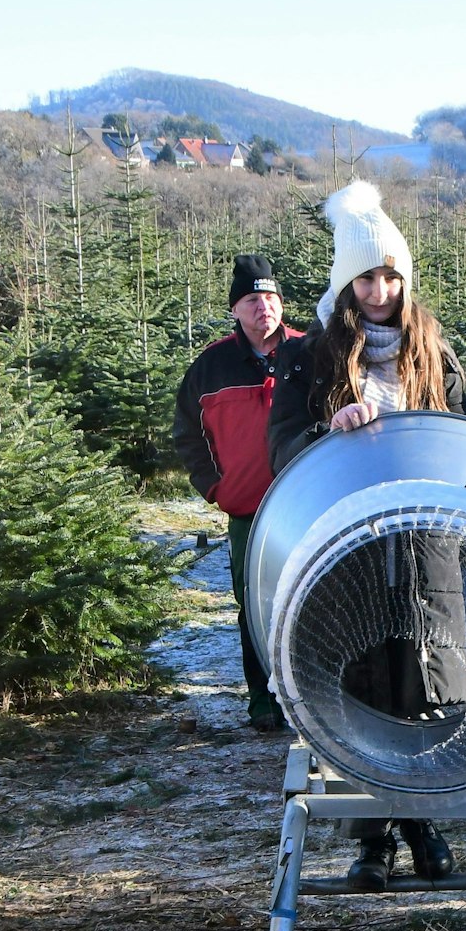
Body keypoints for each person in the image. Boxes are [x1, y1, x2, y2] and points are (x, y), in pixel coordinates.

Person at [268, 179, 466, 889]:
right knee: (363, 685)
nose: (380, 287)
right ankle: (378, 839)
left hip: (424, 547)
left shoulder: (434, 351)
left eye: (390, 274)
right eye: (367, 274)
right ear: (345, 280)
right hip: (348, 545)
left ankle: (422, 815)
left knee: (422, 679)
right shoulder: (313, 358)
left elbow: (464, 441)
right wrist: (331, 432)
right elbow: (282, 448)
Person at [171, 254, 302, 733]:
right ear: (235, 310)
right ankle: (264, 704)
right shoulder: (212, 365)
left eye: (270, 298)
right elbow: (187, 433)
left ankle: (316, 697)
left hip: (307, 503)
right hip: (248, 509)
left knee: (314, 598)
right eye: (252, 299)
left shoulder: (308, 352)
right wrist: (214, 487)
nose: (263, 307)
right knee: (256, 604)